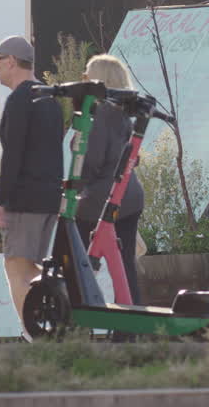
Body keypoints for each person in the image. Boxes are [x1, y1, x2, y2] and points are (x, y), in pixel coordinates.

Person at [0, 35, 64, 329]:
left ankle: (35, 334)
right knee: (30, 265)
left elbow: (13, 156)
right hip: (47, 198)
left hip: (24, 199)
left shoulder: (20, 99)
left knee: (16, 267)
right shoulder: (50, 100)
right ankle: (56, 309)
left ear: (10, 61)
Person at [75, 54, 146, 305]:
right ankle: (129, 327)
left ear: (98, 78)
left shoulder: (99, 114)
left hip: (102, 199)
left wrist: (76, 188)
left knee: (77, 261)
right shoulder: (124, 114)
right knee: (125, 269)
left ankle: (76, 320)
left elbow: (90, 163)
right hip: (129, 196)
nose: (83, 77)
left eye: (87, 72)